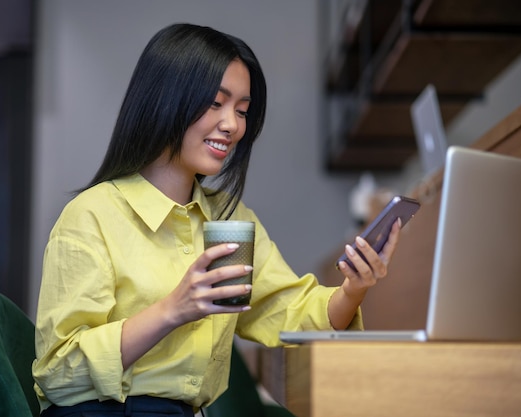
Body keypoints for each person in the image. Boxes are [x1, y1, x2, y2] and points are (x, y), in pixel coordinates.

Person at [32, 22, 402, 417]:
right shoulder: (92, 215)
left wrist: (353, 289)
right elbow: (58, 372)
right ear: (165, 99)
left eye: (242, 110)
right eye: (215, 103)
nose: (233, 125)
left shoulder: (229, 219)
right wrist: (173, 309)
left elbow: (290, 313)